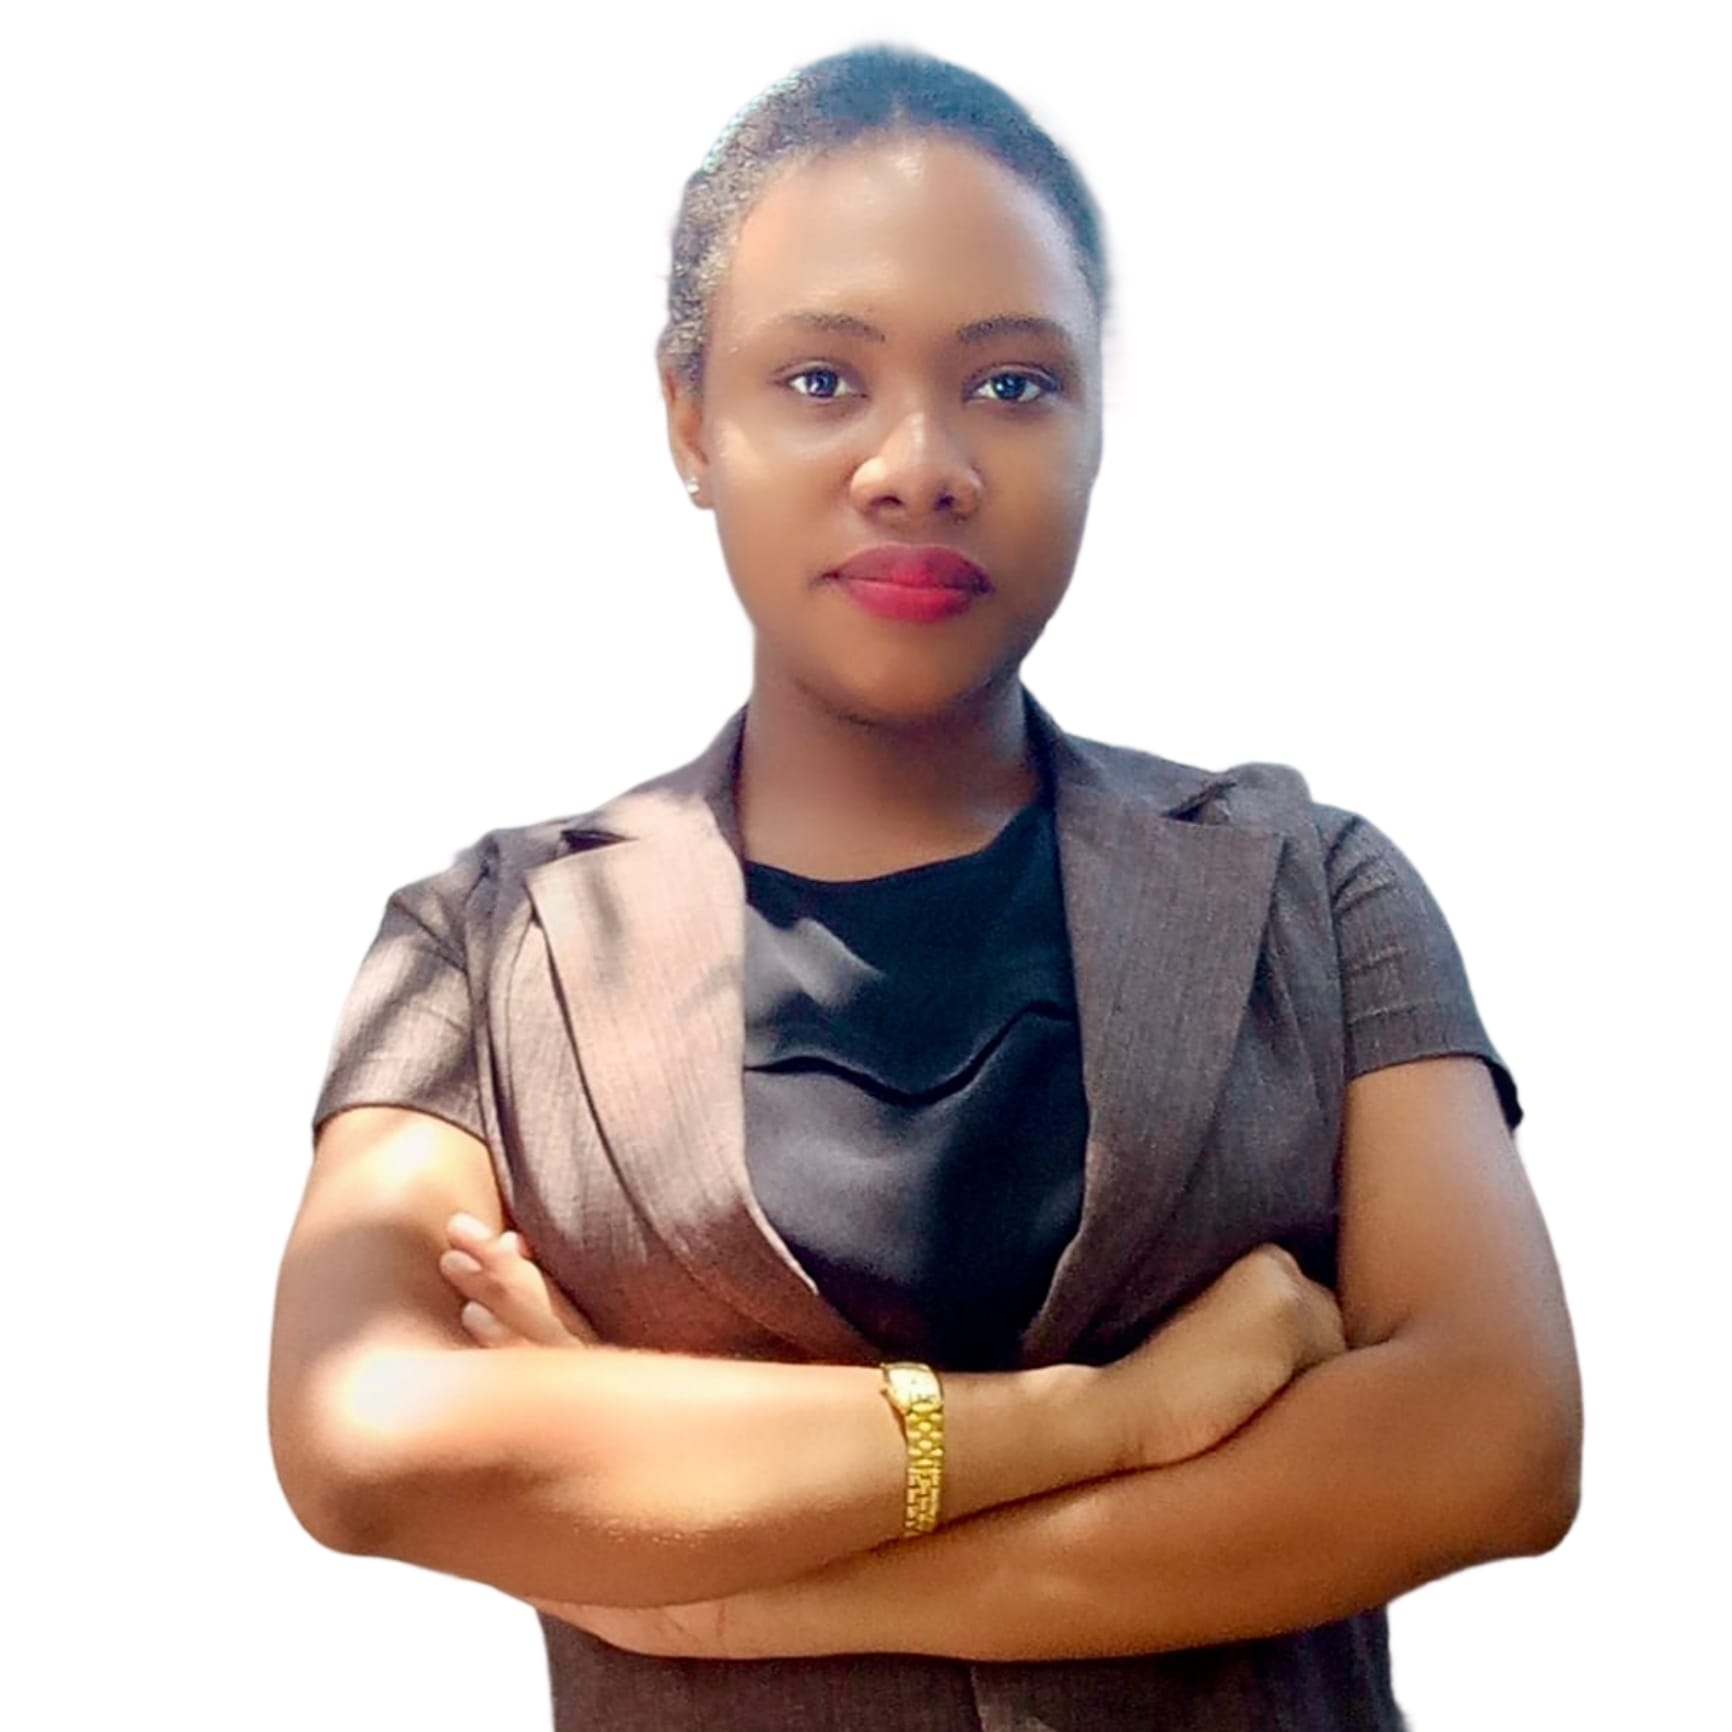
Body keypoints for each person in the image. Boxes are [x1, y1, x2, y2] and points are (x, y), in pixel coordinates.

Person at [267, 44, 1581, 1731]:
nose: (919, 462)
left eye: (1013, 383)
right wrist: (1111, 1420)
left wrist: (727, 1583)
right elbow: (367, 1429)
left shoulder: (1311, 895)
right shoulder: (484, 949)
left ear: (1097, 424)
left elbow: (1496, 1438)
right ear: (690, 420)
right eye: (821, 379)